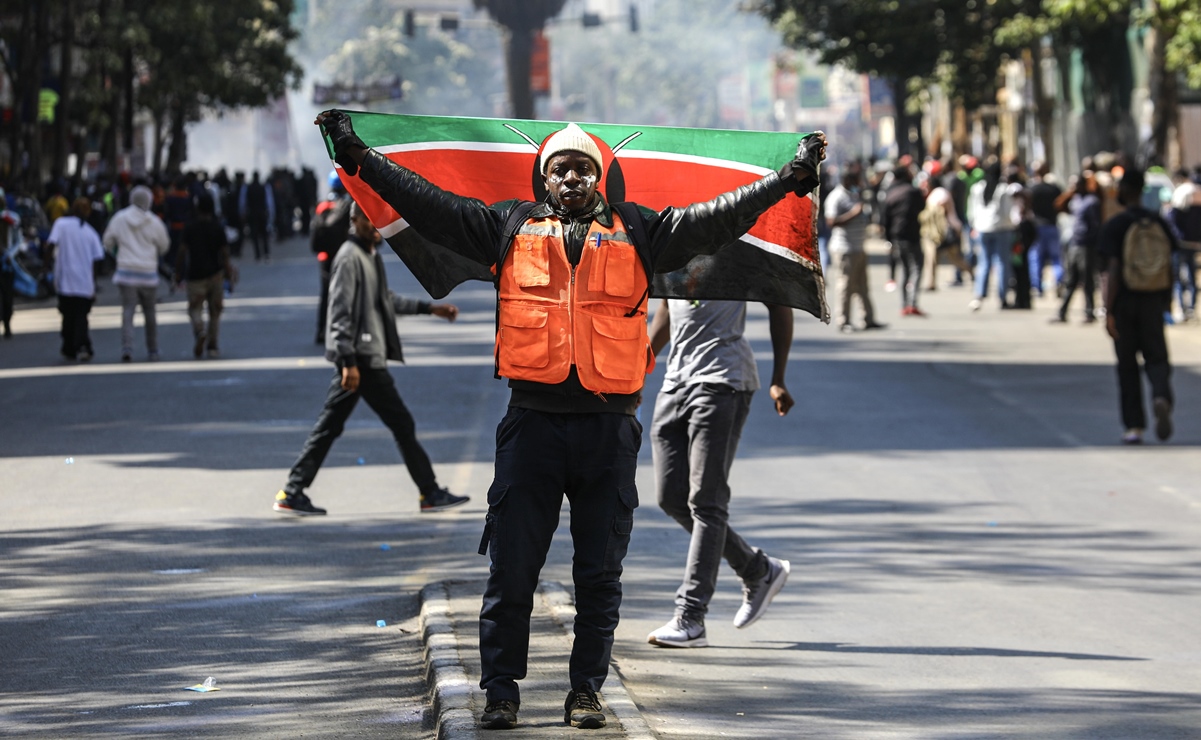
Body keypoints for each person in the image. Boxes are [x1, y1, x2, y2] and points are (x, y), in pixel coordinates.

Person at [315, 110, 825, 731]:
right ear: (544, 179)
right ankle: (500, 693)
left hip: (608, 433)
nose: (574, 178)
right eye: (561, 169)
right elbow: (429, 203)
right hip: (531, 425)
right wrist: (357, 156)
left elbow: (715, 218)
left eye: (585, 168)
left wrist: (786, 179)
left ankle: (586, 692)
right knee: (511, 571)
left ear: (603, 177)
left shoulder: (642, 231)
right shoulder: (505, 227)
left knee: (599, 576)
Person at [274, 200, 467, 516]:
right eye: (370, 220)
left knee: (331, 427)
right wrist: (347, 361)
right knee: (400, 424)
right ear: (355, 220)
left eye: (379, 222)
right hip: (361, 360)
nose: (377, 228)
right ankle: (429, 492)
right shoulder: (350, 258)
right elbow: (339, 312)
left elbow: (384, 299)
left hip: (363, 359)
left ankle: (293, 490)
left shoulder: (368, 255)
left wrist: (429, 308)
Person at [644, 297, 793, 649]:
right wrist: (640, 365)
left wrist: (779, 377)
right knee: (671, 497)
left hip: (724, 380)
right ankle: (757, 569)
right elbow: (666, 307)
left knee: (706, 501)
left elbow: (779, 302)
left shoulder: (735, 248)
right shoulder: (672, 246)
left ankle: (691, 616)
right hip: (675, 382)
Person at [1099, 169, 1178, 445]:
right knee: (1157, 358)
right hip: (1152, 300)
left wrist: (1108, 310)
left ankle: (1134, 427)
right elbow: (1169, 259)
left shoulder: (1116, 225)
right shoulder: (1157, 221)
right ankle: (1160, 396)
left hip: (1124, 303)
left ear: (1124, 189)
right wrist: (1167, 300)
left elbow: (1111, 270)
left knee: (1127, 365)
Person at [103, 184, 170, 362]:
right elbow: (164, 245)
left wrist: (118, 253)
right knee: (150, 313)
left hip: (126, 273)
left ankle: (127, 347)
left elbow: (107, 241)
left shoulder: (119, 218)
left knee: (128, 311)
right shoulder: (154, 221)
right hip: (148, 274)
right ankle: (153, 349)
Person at [174, 193, 236, 359]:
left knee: (195, 308)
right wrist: (229, 273)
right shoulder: (217, 227)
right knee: (215, 312)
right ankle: (212, 345)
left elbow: (182, 251)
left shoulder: (190, 227)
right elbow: (225, 253)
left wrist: (178, 272)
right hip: (215, 274)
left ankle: (199, 329)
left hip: (195, 276)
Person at [825, 164, 883, 332]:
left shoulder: (855, 195)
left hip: (858, 246)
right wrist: (853, 214)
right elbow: (831, 222)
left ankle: (868, 318)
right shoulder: (836, 197)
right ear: (848, 180)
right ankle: (843, 321)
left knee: (862, 285)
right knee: (845, 285)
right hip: (844, 248)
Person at [47, 197, 105, 361]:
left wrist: (46, 267)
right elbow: (97, 260)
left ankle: (74, 346)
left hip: (65, 281)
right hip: (83, 283)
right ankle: (78, 346)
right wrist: (93, 284)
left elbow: (50, 245)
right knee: (80, 317)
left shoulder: (61, 224)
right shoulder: (90, 233)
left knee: (69, 316)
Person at [1051, 170, 1103, 324]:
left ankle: (1089, 312)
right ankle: (1062, 312)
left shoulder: (1092, 201)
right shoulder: (1076, 199)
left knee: (1087, 280)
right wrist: (1069, 193)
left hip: (1086, 245)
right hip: (1074, 242)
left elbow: (1096, 225)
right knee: (1071, 280)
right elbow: (1059, 205)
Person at [968, 159, 1018, 311]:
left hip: (983, 228)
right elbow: (1008, 212)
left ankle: (979, 294)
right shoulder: (1003, 189)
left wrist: (975, 225)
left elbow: (972, 210)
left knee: (984, 262)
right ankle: (1003, 297)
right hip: (1001, 228)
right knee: (1002, 263)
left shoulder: (977, 188)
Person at [310, 170, 352, 344]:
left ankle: (321, 331)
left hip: (324, 257)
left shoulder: (323, 206)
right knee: (347, 294)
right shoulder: (348, 206)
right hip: (344, 256)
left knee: (326, 295)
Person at [881, 162, 926, 316]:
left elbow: (884, 218)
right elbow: (922, 207)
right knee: (917, 268)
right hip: (912, 235)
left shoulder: (890, 193)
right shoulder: (912, 192)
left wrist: (888, 239)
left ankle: (905, 304)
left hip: (896, 236)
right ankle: (912, 303)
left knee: (905, 270)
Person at [1025, 161, 1063, 297]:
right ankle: (1059, 281)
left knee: (1036, 257)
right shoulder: (1054, 188)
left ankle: (1037, 286)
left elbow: (1025, 208)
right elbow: (1061, 204)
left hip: (1037, 227)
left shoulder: (1031, 189)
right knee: (1056, 257)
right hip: (1052, 226)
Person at [240, 171, 273, 262]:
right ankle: (266, 253)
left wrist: (243, 212)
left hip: (252, 214)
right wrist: (270, 213)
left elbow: (243, 202)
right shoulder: (264, 187)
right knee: (264, 235)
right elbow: (269, 202)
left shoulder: (247, 188)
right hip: (262, 213)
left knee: (255, 235)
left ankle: (257, 254)